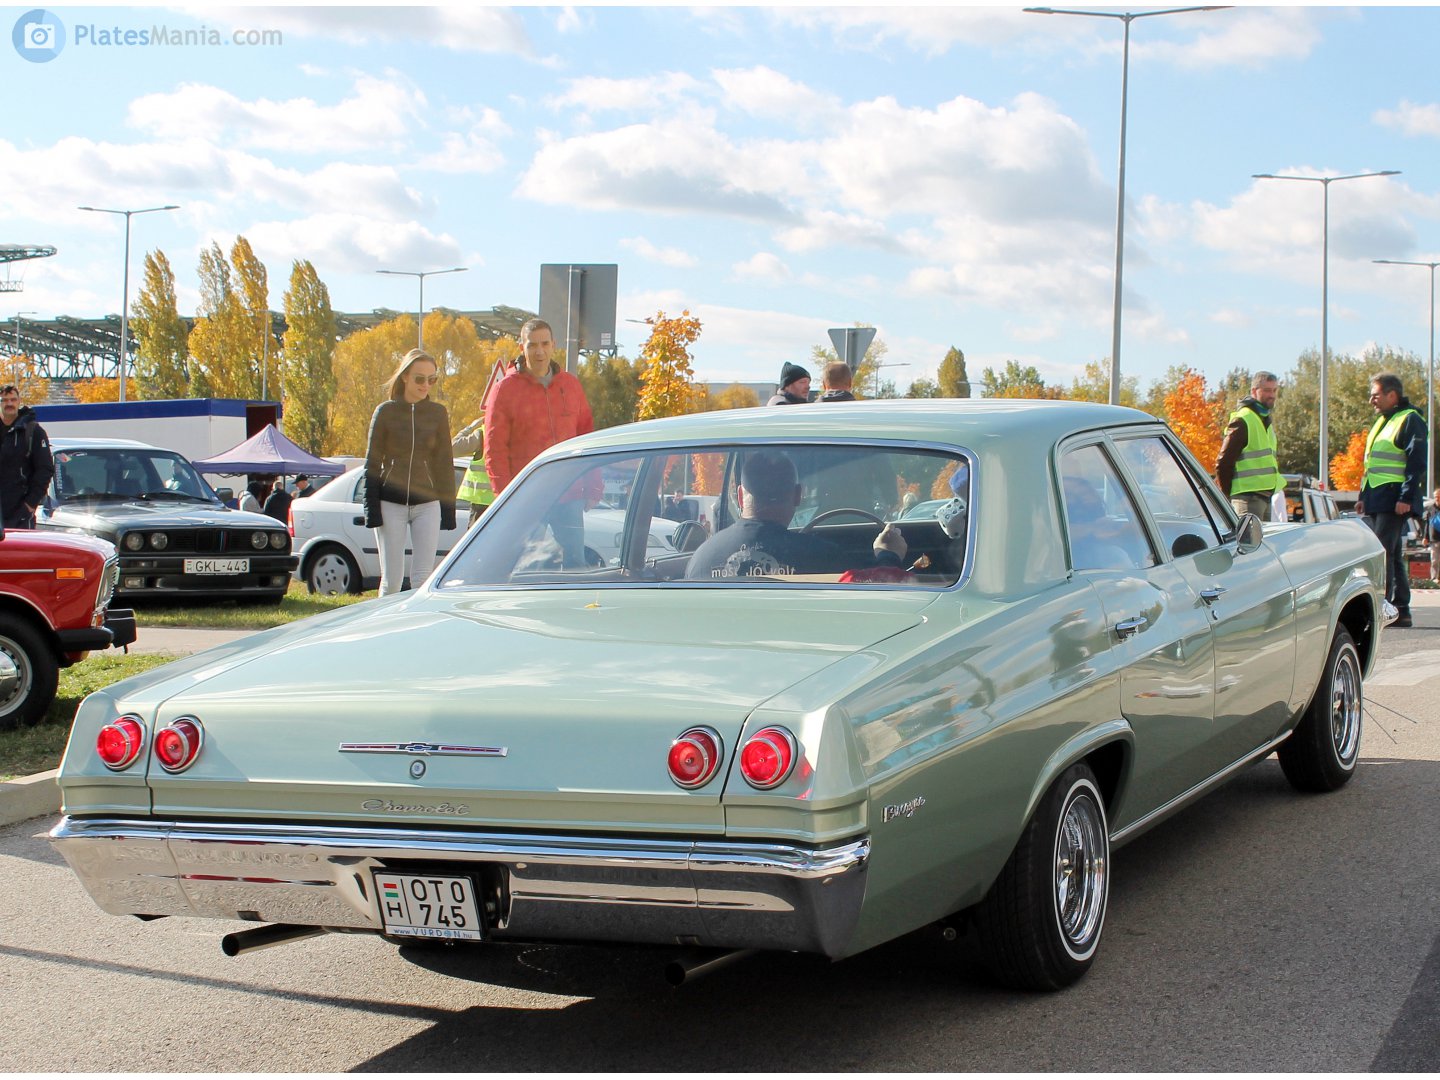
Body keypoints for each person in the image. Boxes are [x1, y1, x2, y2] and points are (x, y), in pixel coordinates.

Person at [686, 449, 906, 580]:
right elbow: (874, 598)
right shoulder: (824, 557)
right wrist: (888, 557)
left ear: (741, 496)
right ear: (798, 495)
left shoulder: (702, 559)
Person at [484, 319, 599, 566]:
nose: (539, 351)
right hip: (527, 496)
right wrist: (505, 497)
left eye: (545, 344)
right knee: (528, 567)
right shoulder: (505, 390)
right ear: (521, 347)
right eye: (532, 345)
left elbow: (586, 437)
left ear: (553, 345)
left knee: (576, 565)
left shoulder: (570, 385)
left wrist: (594, 485)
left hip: (569, 493)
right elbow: (495, 449)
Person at [361, 348, 457, 596]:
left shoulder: (437, 413)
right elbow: (372, 464)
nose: (426, 385)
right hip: (390, 503)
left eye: (432, 379)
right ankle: (385, 621)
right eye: (419, 379)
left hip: (428, 504)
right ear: (405, 376)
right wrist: (371, 510)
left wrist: (448, 510)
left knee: (422, 580)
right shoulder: (386, 412)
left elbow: (444, 463)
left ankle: (416, 622)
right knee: (391, 581)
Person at [1358, 372, 1427, 628]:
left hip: (1394, 496)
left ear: (1392, 395)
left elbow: (1416, 461)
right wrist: (1364, 496)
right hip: (1378, 495)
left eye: (1375, 395)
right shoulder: (1383, 421)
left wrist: (1406, 496)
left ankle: (1381, 608)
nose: (1371, 400)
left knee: (1381, 552)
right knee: (1393, 554)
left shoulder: (1410, 419)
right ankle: (1401, 610)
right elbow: (1371, 465)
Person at [1215, 370, 1281, 521]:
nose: (1272, 395)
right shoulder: (1243, 419)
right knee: (1248, 537)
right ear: (1254, 391)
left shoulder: (1264, 420)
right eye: (1267, 390)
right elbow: (1223, 463)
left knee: (1260, 538)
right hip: (1246, 499)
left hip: (1264, 497)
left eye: (1274, 390)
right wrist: (1227, 497)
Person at [0, 383, 54, 529]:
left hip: (19, 516)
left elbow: (45, 469)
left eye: (13, 399)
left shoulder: (33, 431)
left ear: (19, 402)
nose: (9, 404)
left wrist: (30, 505)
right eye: (4, 400)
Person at [452, 417, 494, 527]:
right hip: (508, 500)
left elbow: (452, 448)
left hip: (481, 503)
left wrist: (471, 427)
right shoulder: (518, 433)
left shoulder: (483, 434)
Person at [1425, 486, 1440, 585]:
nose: (1437, 498)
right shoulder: (1431, 509)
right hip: (1434, 539)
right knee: (1434, 560)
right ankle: (1434, 579)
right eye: (1435, 496)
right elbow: (1427, 524)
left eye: (1438, 496)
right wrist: (1425, 537)